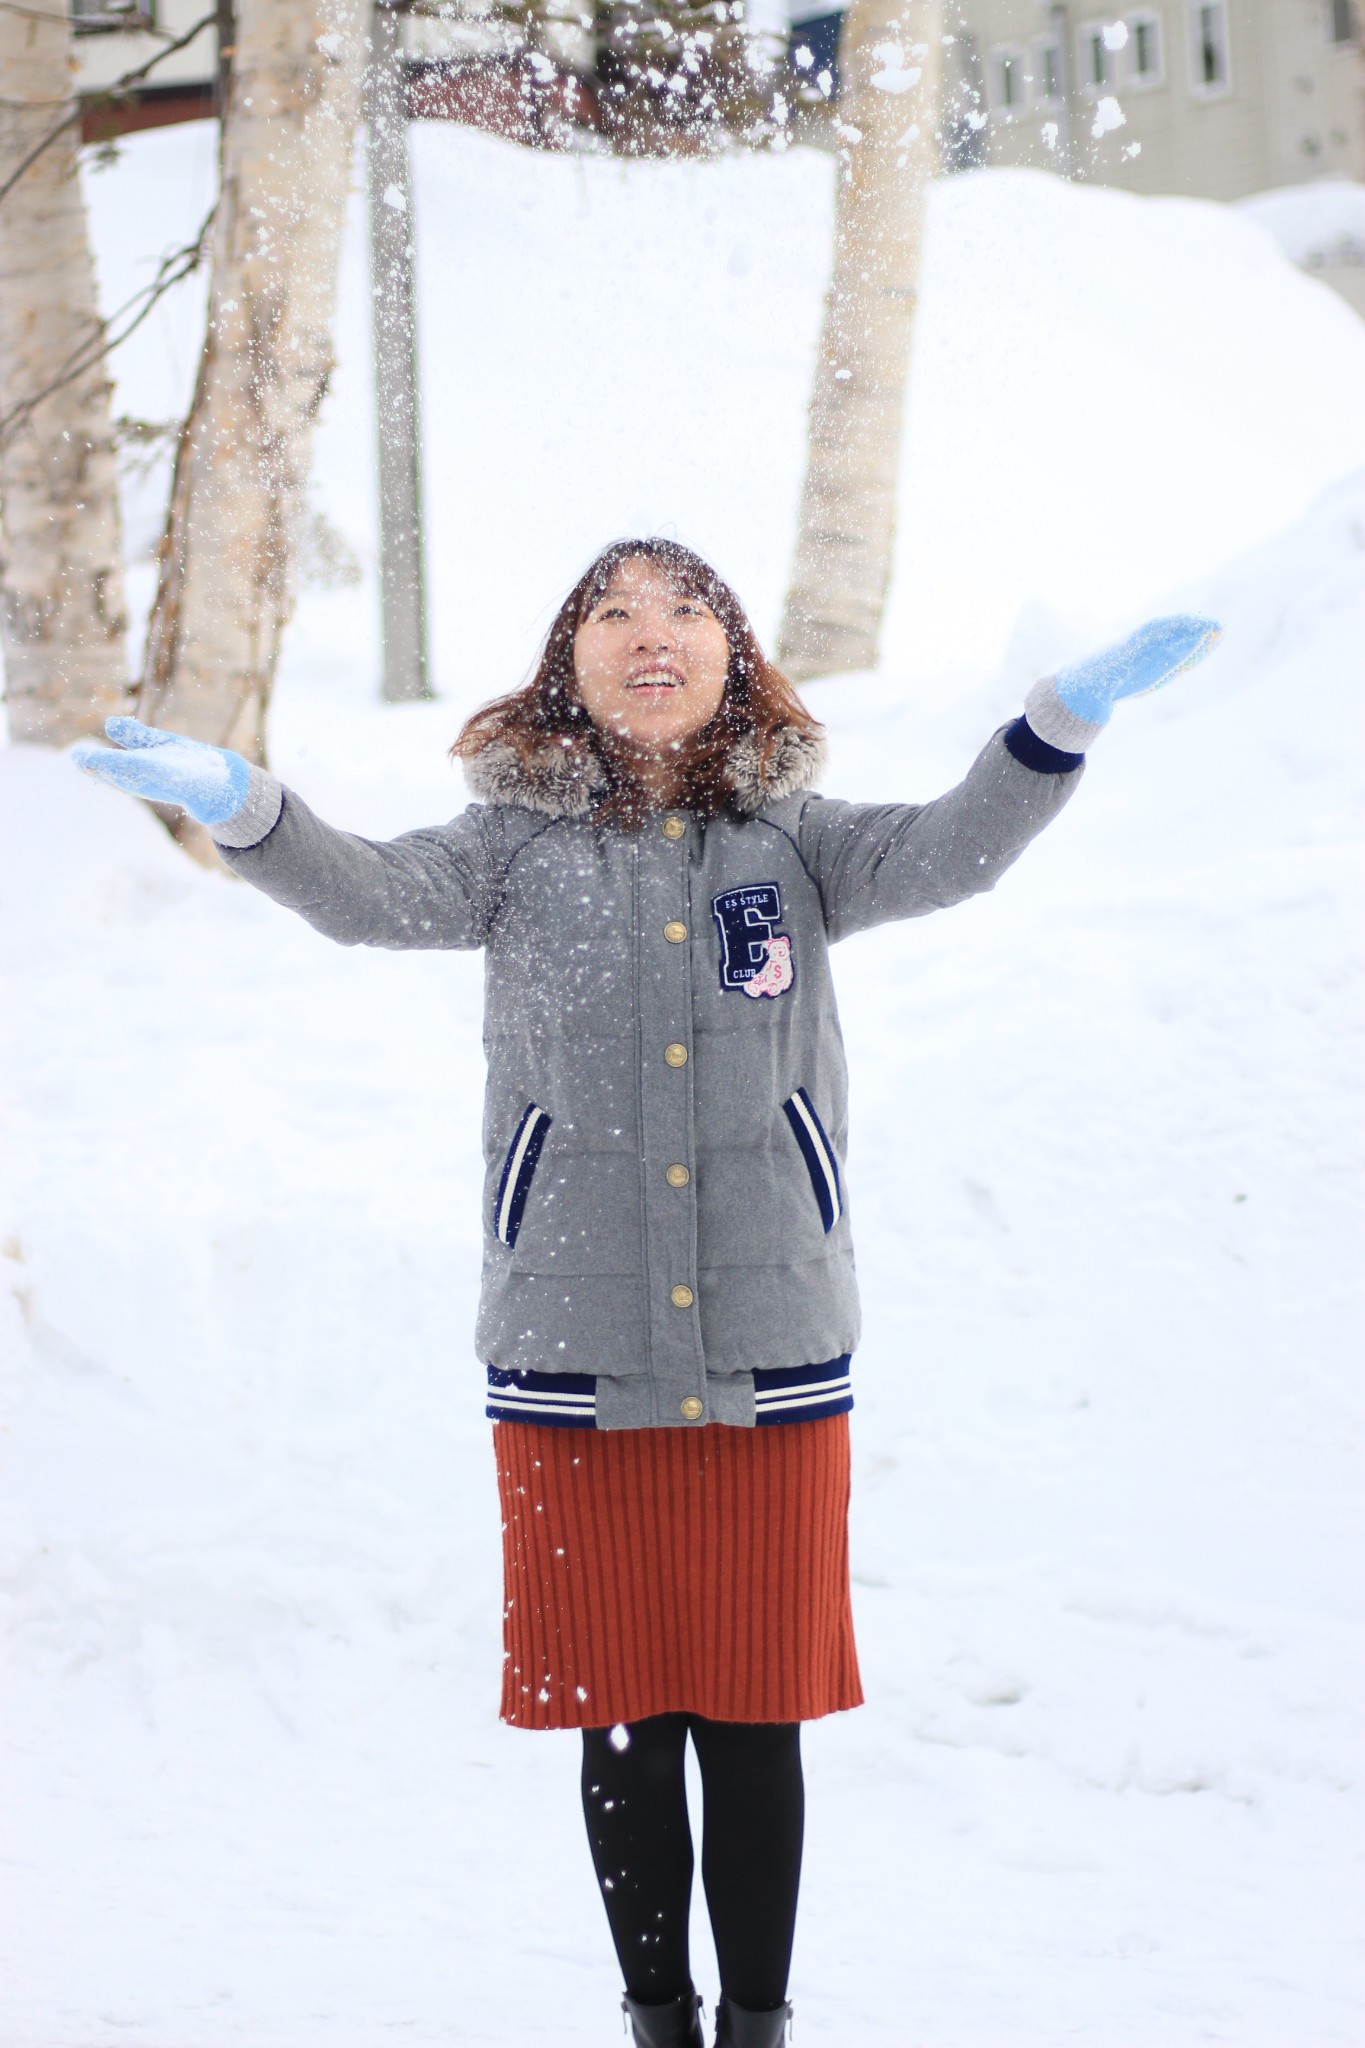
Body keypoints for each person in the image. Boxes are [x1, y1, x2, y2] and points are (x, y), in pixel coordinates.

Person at [74, 538, 1220, 2046]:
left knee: (753, 1716)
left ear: (732, 656)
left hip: (768, 1347)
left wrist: (1055, 720)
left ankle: (753, 2023)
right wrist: (247, 809)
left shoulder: (796, 842)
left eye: (684, 607)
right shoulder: (508, 852)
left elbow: (955, 849)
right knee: (620, 1717)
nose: (649, 633)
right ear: (570, 666)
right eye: (611, 612)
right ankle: (658, 2019)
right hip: (573, 1343)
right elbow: (358, 895)